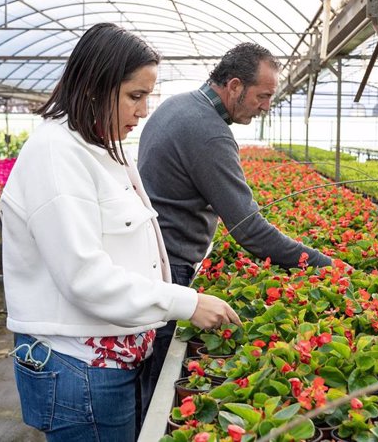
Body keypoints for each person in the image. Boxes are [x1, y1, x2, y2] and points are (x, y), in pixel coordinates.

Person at [1, 23, 240, 442]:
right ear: (94, 88)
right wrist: (185, 301)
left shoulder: (99, 147)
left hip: (107, 363)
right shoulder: (57, 154)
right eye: (135, 96)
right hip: (80, 370)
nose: (144, 111)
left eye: (147, 96)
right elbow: (84, 277)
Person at [137, 43, 332, 419]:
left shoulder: (178, 105)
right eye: (262, 96)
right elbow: (250, 231)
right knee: (158, 394)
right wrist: (325, 264)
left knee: (148, 381)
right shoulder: (208, 132)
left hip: (153, 256)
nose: (265, 106)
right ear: (235, 86)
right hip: (169, 266)